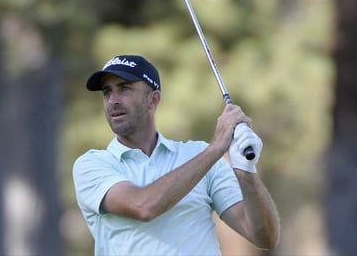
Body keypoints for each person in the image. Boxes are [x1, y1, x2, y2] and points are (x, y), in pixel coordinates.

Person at [72, 55, 280, 255]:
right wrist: (216, 148)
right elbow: (143, 206)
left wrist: (247, 172)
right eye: (107, 92)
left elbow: (264, 237)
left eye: (124, 88)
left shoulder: (198, 154)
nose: (112, 101)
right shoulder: (92, 165)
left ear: (153, 100)